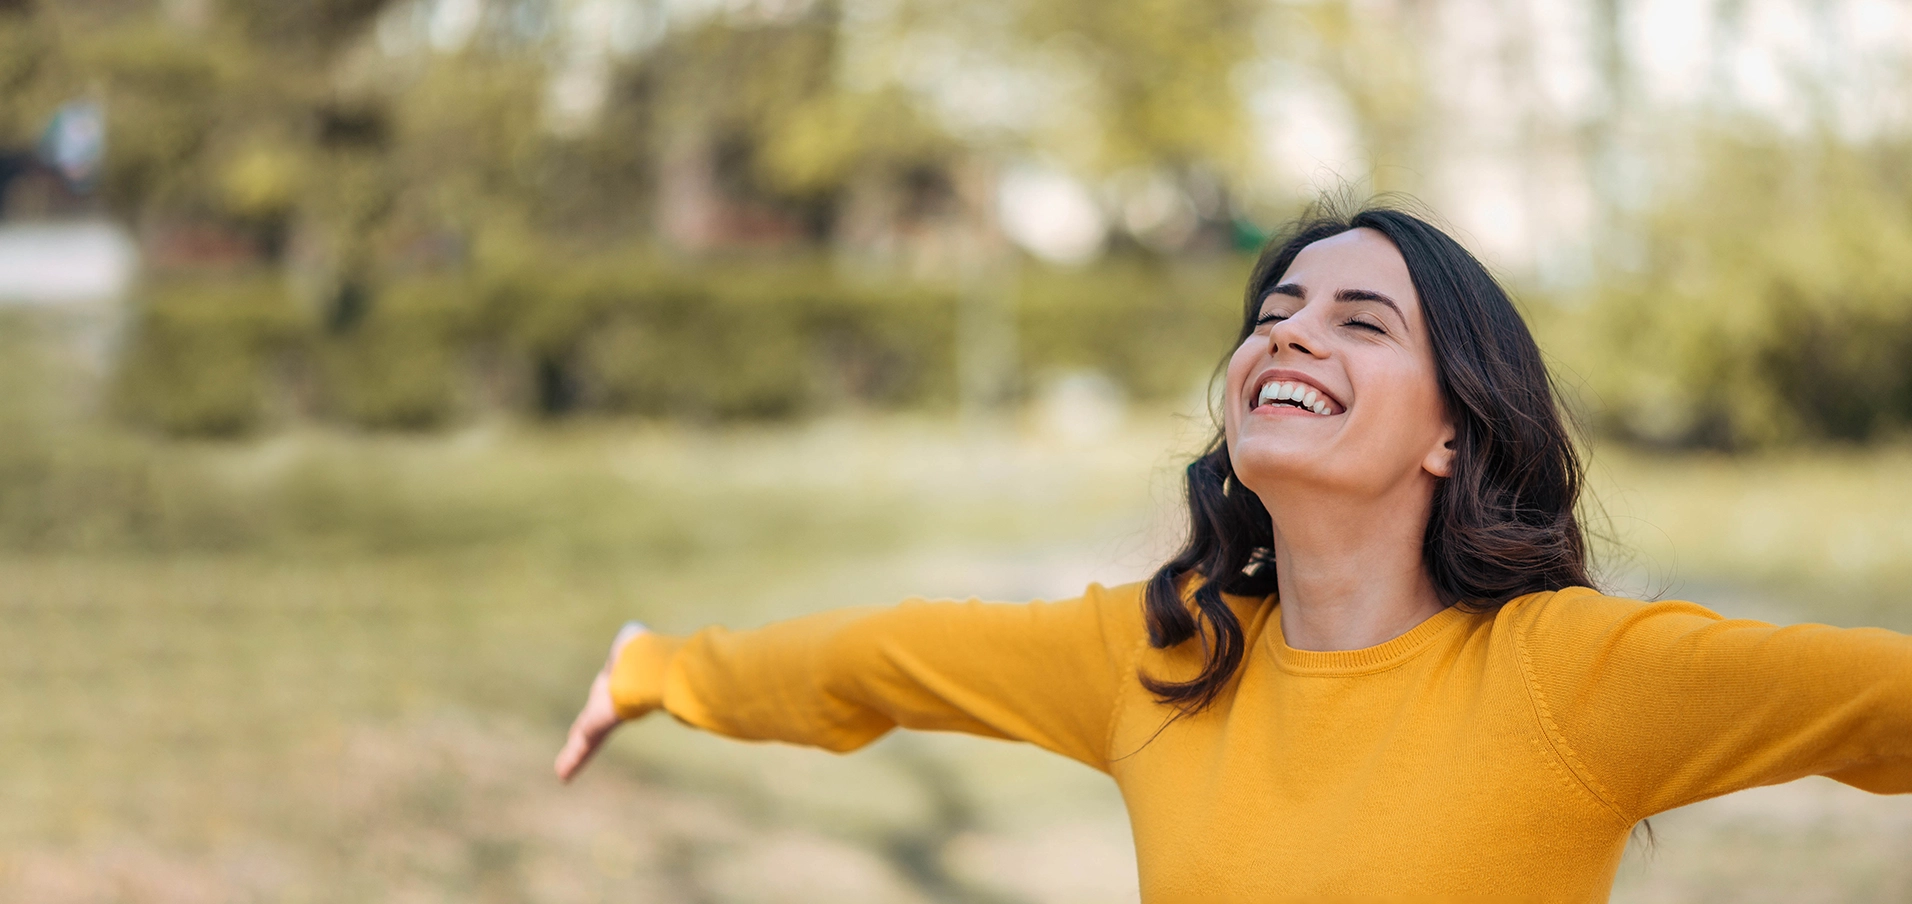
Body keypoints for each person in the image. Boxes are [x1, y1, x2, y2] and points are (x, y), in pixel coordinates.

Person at [553, 205, 1912, 902]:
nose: (1292, 332)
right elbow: (885, 663)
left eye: (1364, 320)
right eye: (1277, 308)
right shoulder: (1163, 656)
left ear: (1454, 430)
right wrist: (662, 669)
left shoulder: (1570, 673)